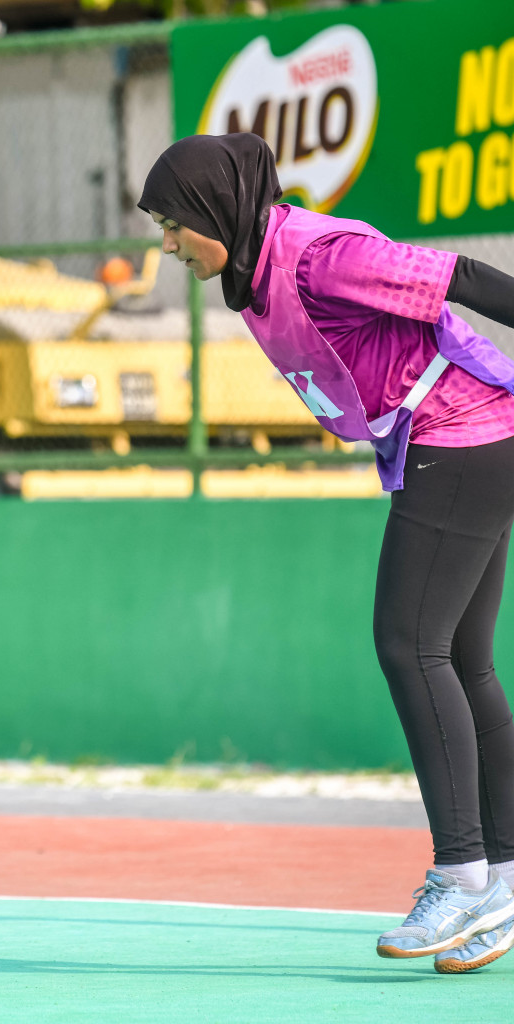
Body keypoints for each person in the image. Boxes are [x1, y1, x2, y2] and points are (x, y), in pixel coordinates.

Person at [141, 132, 514, 974]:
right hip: (471, 437)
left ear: (214, 212)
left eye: (171, 225)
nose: (166, 245)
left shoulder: (319, 257)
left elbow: (458, 277)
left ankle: (461, 872)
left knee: (407, 645)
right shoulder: (258, 270)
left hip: (463, 434)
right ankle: (504, 877)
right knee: (461, 657)